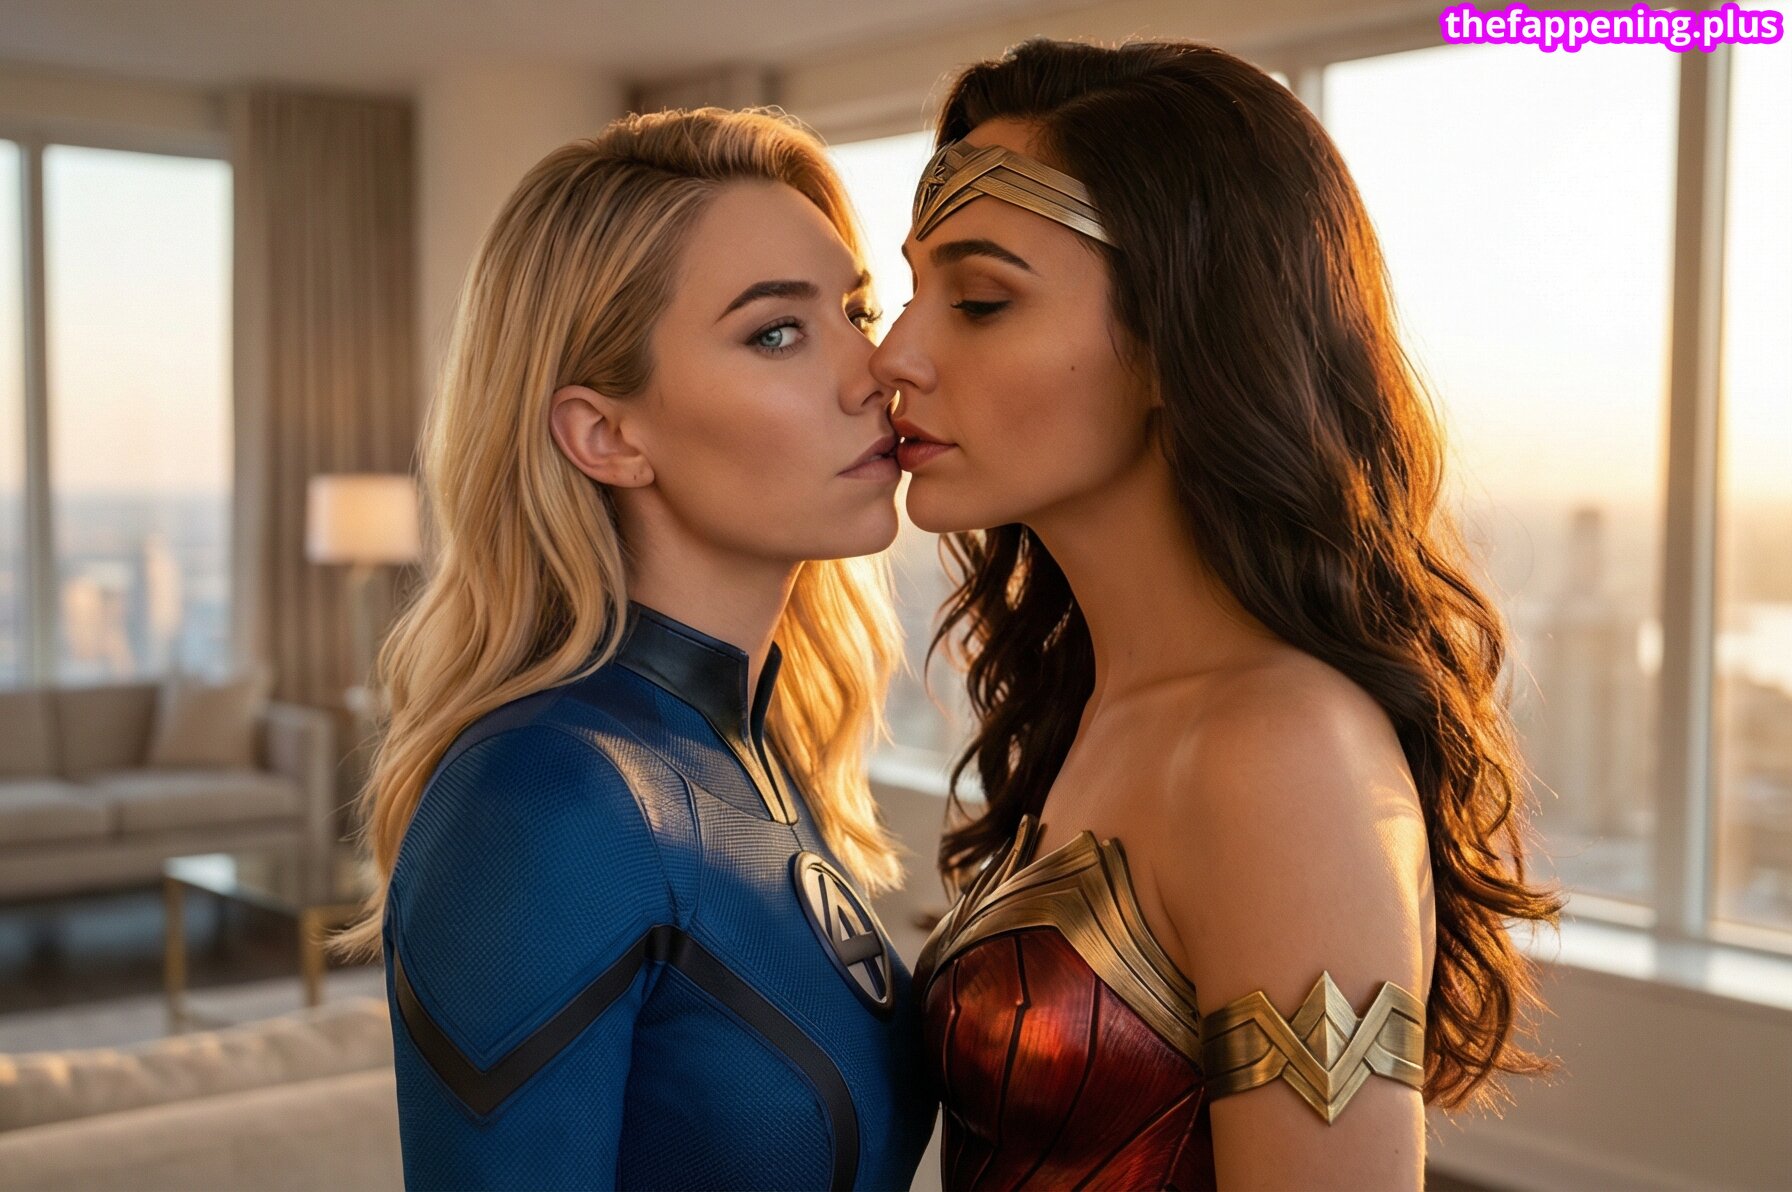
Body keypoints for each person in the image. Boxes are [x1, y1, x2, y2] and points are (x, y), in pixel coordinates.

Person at [871, 38, 1562, 1189]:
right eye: (909, 294)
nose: (894, 354)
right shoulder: (1108, 706)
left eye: (980, 301)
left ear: (1177, 345)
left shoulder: (1279, 753)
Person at [330, 106, 936, 1190]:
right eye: (776, 333)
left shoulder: (751, 746)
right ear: (606, 435)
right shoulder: (544, 796)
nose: (875, 371)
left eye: (855, 311)